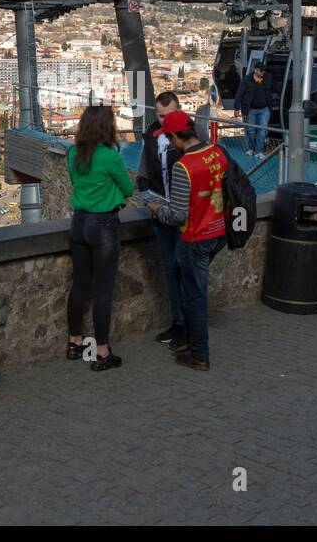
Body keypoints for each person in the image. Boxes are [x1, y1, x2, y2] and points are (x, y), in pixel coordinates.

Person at [147, 110, 227, 372]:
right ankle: (190, 343)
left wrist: (157, 209)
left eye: (169, 139)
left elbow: (178, 214)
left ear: (175, 136)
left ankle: (199, 353)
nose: (169, 144)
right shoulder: (216, 152)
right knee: (196, 290)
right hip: (218, 230)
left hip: (195, 235)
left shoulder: (184, 166)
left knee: (194, 296)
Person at [65, 104, 134, 370]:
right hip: (103, 224)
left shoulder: (72, 153)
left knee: (80, 285)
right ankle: (102, 351)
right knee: (103, 291)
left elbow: (75, 181)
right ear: (108, 127)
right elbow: (127, 188)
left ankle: (75, 342)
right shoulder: (109, 156)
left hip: (78, 223)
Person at [138, 92, 186, 347]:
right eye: (161, 116)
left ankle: (188, 324)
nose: (165, 121)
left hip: (185, 213)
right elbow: (144, 171)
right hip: (160, 210)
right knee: (170, 267)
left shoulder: (191, 133)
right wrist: (149, 198)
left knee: (183, 266)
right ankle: (178, 322)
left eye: (170, 116)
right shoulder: (151, 136)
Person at [234, 61, 276, 155]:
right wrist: (236, 109)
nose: (263, 72)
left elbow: (272, 87)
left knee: (262, 131)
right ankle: (251, 149)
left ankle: (259, 151)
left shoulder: (267, 77)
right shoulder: (246, 80)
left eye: (264, 71)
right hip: (250, 110)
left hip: (264, 109)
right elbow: (239, 94)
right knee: (250, 131)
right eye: (261, 71)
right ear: (255, 70)